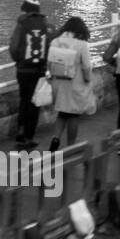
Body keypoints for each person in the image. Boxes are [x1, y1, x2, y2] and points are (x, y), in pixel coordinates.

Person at [7, 0, 51, 148]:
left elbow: (13, 46)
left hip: (23, 69)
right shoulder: (45, 24)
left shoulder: (22, 23)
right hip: (39, 69)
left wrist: (18, 60)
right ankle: (29, 136)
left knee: (24, 100)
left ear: (25, 9)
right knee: (34, 103)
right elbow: (50, 44)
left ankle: (20, 133)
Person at [46, 17, 95, 150]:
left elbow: (49, 63)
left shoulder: (55, 42)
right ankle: (70, 147)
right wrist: (87, 80)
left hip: (58, 84)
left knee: (62, 113)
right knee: (73, 115)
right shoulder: (81, 45)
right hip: (75, 85)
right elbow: (86, 67)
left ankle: (55, 139)